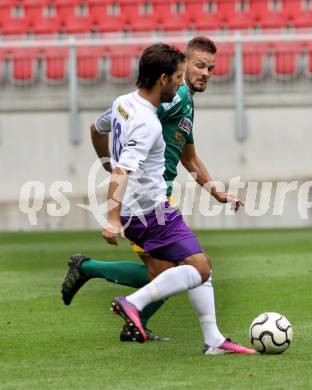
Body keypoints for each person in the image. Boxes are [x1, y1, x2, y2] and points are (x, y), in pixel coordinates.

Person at [61, 40, 254, 355]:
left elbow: (188, 158)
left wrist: (215, 190)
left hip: (149, 199)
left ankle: (145, 321)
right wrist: (115, 179)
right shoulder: (171, 99)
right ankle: (98, 277)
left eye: (211, 69)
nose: (205, 73)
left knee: (176, 271)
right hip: (147, 202)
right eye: (198, 66)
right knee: (181, 271)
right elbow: (141, 124)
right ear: (176, 70)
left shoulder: (178, 103)